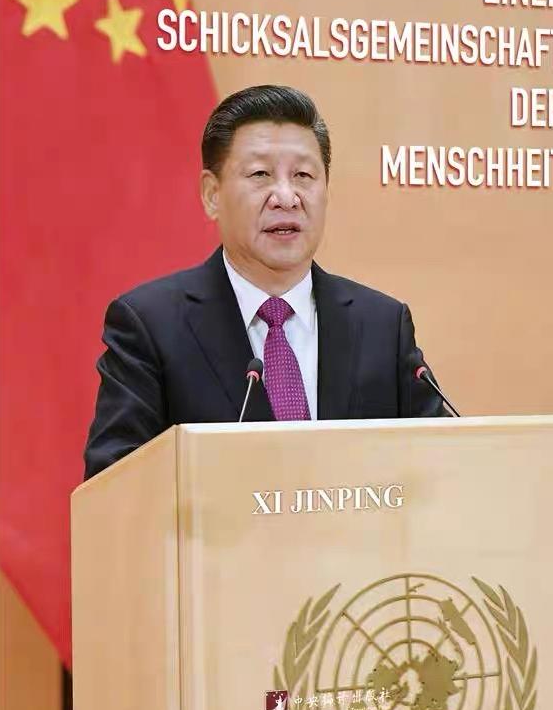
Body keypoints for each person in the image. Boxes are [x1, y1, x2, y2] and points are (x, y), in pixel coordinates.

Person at [83, 84, 447, 480]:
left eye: (304, 175)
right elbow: (115, 485)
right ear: (212, 194)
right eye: (260, 174)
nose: (286, 197)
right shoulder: (151, 327)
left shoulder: (382, 325)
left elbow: (442, 468)